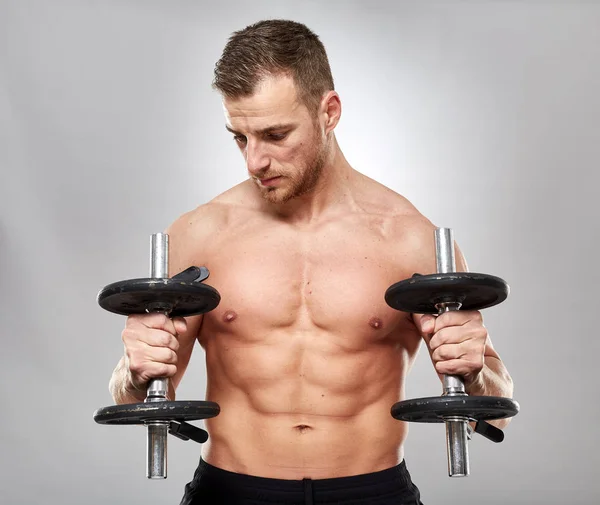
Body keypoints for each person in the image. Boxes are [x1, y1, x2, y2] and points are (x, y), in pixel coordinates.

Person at [108, 19, 514, 505]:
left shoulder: (410, 239)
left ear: (330, 112)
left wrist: (474, 372)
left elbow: (496, 408)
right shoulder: (200, 234)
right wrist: (134, 372)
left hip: (371, 493)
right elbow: (133, 397)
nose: (254, 160)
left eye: (275, 134)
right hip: (231, 491)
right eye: (239, 137)